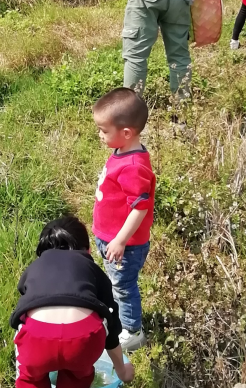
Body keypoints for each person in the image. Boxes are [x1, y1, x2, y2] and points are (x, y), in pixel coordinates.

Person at [11, 216, 135, 388]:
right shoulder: (92, 269)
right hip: (83, 340)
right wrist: (122, 370)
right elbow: (112, 325)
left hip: (36, 338)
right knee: (79, 374)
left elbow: (24, 307)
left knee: (30, 377)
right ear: (88, 250)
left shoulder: (33, 268)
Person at [91, 88, 155, 352]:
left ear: (126, 133)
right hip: (110, 238)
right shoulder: (122, 152)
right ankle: (119, 316)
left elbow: (140, 208)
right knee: (115, 282)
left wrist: (119, 241)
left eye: (104, 130)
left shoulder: (134, 166)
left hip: (124, 245)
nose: (100, 134)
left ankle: (132, 331)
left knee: (124, 285)